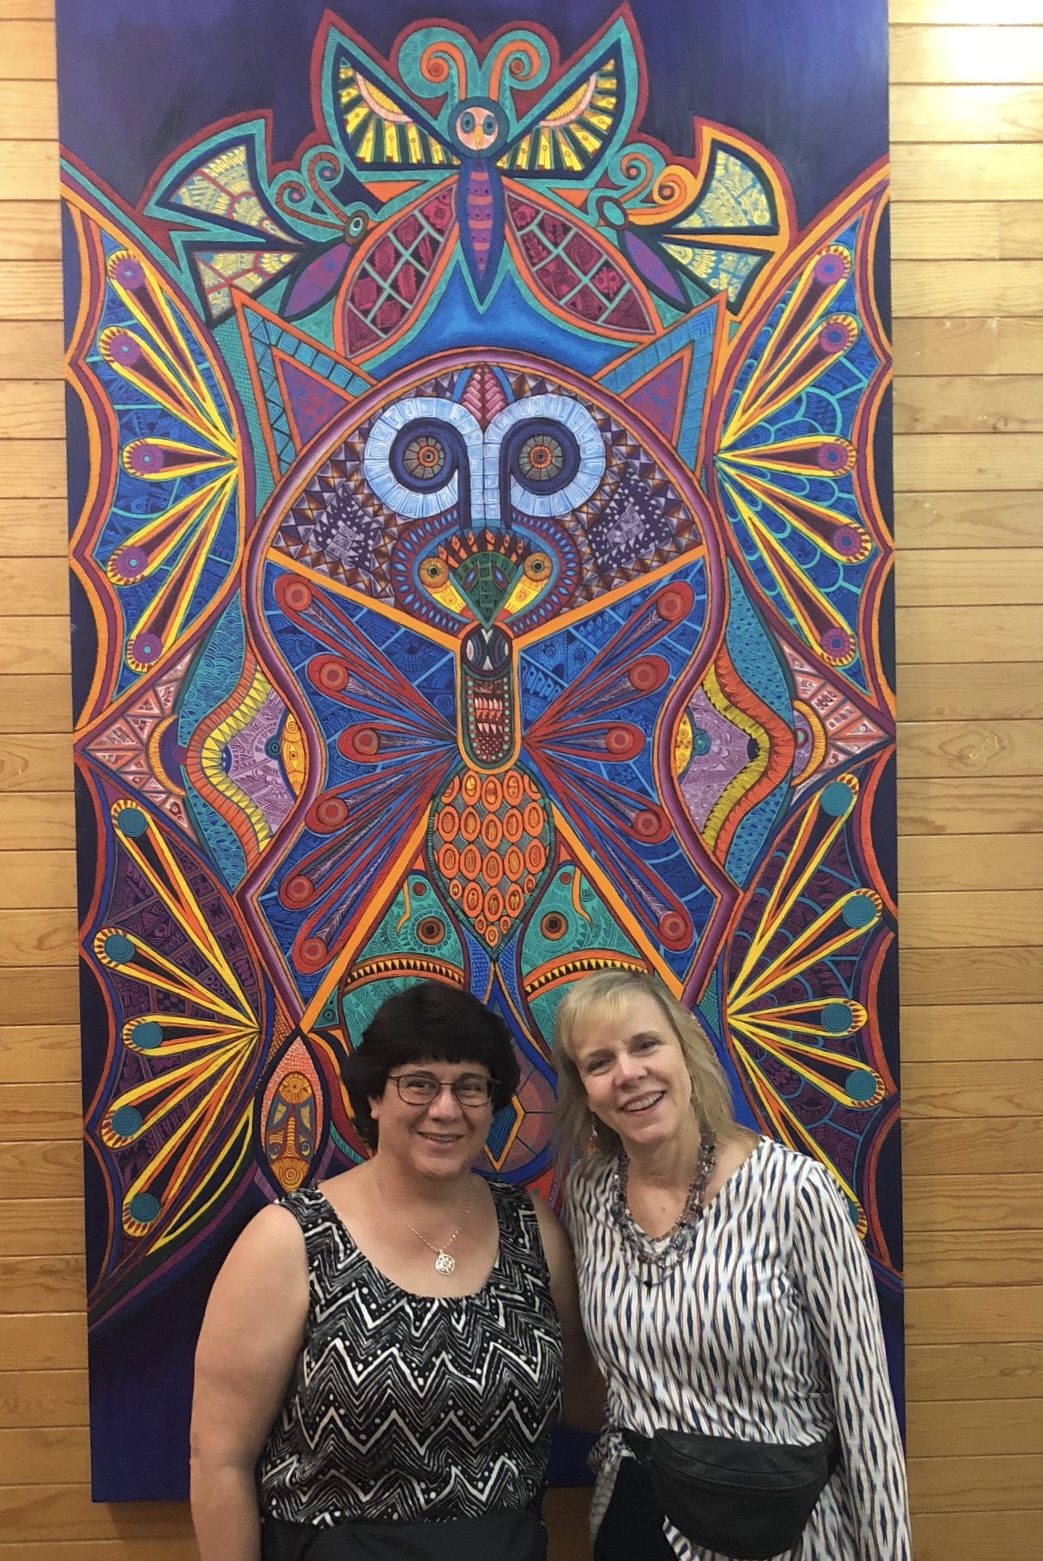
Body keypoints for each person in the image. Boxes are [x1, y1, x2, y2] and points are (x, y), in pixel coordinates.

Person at [190, 980, 600, 1561]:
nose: (445, 1109)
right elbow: (219, 1461)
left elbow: (584, 1399)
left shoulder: (531, 1228)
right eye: (419, 1083)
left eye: (471, 1088)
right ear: (373, 1097)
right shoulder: (291, 1241)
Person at [553, 969, 911, 1561]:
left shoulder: (794, 1192)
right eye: (599, 1062)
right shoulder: (591, 1194)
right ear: (585, 1089)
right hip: (638, 1521)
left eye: (646, 1045)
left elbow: (865, 1409)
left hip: (784, 1529)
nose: (628, 1073)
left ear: (686, 1048)